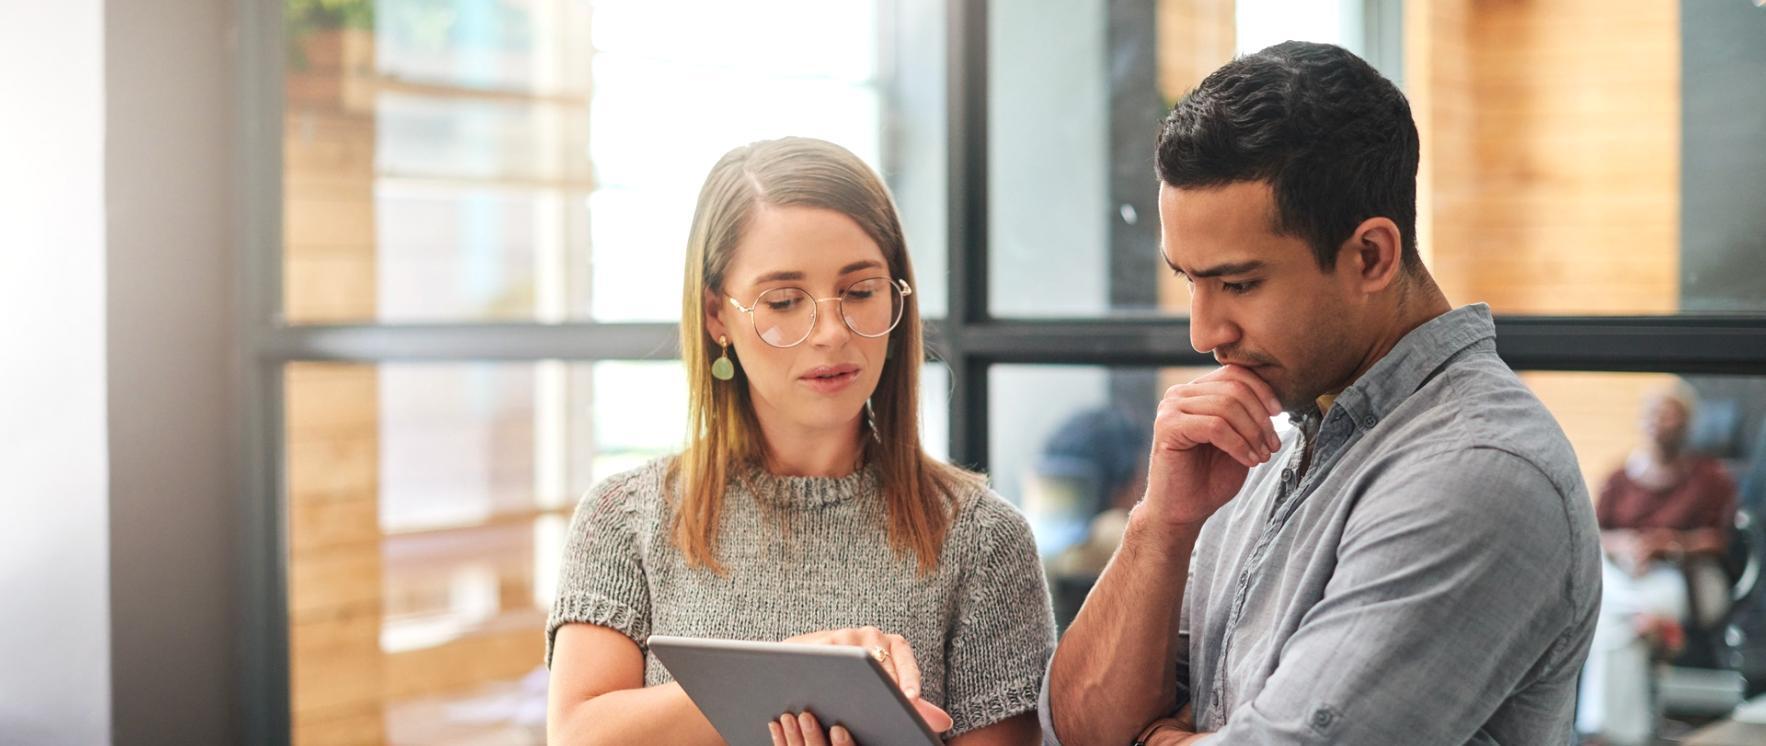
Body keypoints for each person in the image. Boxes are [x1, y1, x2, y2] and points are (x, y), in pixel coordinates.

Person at [1040, 42, 1601, 745]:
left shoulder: (1480, 472)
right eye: (1189, 280)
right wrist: (1163, 524)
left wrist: (1163, 734)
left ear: (1370, 256)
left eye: (1239, 284)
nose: (1203, 331)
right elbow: (1078, 731)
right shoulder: (1273, 429)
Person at [544, 137, 1054, 746]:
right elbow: (578, 733)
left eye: (861, 292)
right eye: (784, 301)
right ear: (717, 317)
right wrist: (795, 671)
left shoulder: (981, 537)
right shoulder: (626, 519)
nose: (832, 333)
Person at [1577, 382, 1737, 744]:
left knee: (1608, 625)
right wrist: (1625, 545)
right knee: (1616, 608)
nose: (1660, 422)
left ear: (1687, 423)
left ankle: (1600, 734)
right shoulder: (1619, 478)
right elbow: (1594, 533)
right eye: (1653, 413)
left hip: (1676, 574)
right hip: (1624, 575)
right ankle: (1630, 733)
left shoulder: (1709, 478)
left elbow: (1721, 540)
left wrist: (1672, 545)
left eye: (1670, 413)